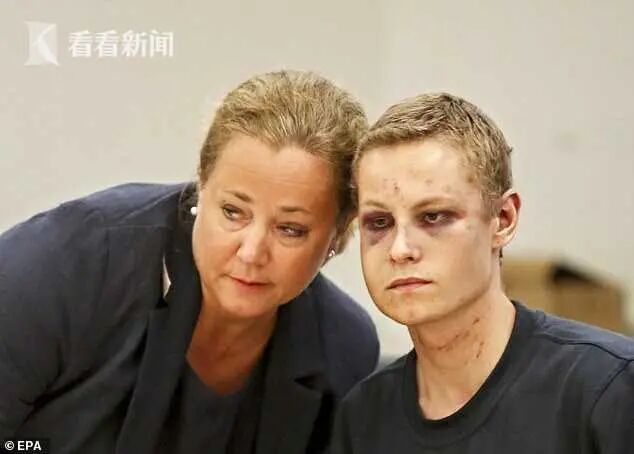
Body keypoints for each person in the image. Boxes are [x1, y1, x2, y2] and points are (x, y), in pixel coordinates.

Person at [0, 70, 379, 454]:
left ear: (339, 232)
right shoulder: (66, 266)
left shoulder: (342, 349)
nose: (251, 252)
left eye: (290, 229)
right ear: (201, 184)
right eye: (232, 212)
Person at [329, 92, 634, 453]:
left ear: (503, 219)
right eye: (379, 222)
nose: (400, 249)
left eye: (433, 216)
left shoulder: (607, 388)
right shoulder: (363, 417)